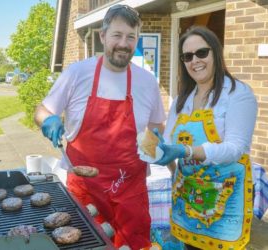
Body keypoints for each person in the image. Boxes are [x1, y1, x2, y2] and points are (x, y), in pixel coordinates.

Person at [34, 4, 166, 249]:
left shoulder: (147, 81)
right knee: (85, 244)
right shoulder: (77, 73)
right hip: (85, 189)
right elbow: (42, 110)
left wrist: (150, 151)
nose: (124, 43)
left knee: (135, 244)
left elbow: (156, 125)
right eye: (117, 35)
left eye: (131, 37)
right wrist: (48, 120)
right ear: (103, 36)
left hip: (131, 189)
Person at [154, 26, 257, 250]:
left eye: (202, 53)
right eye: (187, 56)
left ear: (216, 53)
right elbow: (170, 143)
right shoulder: (183, 100)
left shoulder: (238, 93)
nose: (195, 61)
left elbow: (235, 148)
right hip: (188, 199)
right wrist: (159, 149)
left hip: (223, 202)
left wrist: (188, 151)